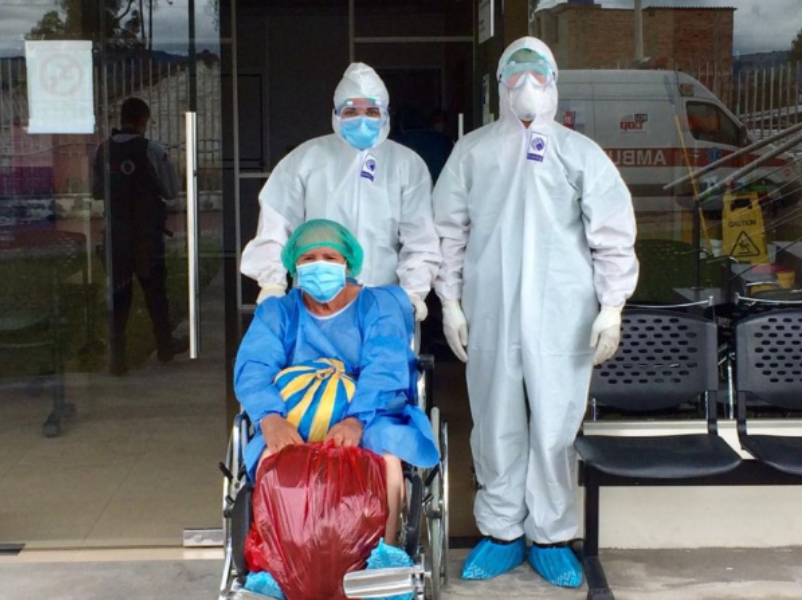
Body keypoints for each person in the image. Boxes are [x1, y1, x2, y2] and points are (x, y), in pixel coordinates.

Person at [433, 37, 638, 588]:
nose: (527, 85)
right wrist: (450, 301)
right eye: (517, 73)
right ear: (500, 84)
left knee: (555, 424)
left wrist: (611, 305)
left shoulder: (580, 153)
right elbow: (447, 232)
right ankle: (501, 532)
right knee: (495, 420)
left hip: (563, 312)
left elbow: (612, 235)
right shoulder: (473, 152)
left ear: (554, 82)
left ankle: (550, 536)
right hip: (491, 309)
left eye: (538, 73)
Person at [235, 218, 440, 550]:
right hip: (292, 416)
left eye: (330, 257)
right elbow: (253, 368)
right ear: (294, 265)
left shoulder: (378, 306)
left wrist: (356, 420)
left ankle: (384, 554)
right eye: (308, 258)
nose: (319, 265)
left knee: (385, 457)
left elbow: (385, 367)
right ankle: (281, 557)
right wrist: (269, 418)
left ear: (347, 263)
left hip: (372, 414)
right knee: (270, 458)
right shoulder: (278, 313)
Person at [239, 63, 441, 322]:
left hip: (384, 302)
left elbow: (420, 237)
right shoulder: (306, 159)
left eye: (371, 111)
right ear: (336, 114)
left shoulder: (406, 164)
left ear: (385, 114)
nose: (362, 120)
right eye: (351, 111)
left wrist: (413, 291)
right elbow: (275, 224)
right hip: (315, 300)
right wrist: (272, 283)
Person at [92, 97, 186, 375]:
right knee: (156, 294)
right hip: (146, 238)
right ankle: (165, 346)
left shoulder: (102, 150)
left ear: (121, 120)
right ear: (143, 120)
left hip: (116, 236)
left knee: (119, 298)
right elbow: (171, 190)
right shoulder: (152, 149)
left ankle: (117, 359)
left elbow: (97, 191)